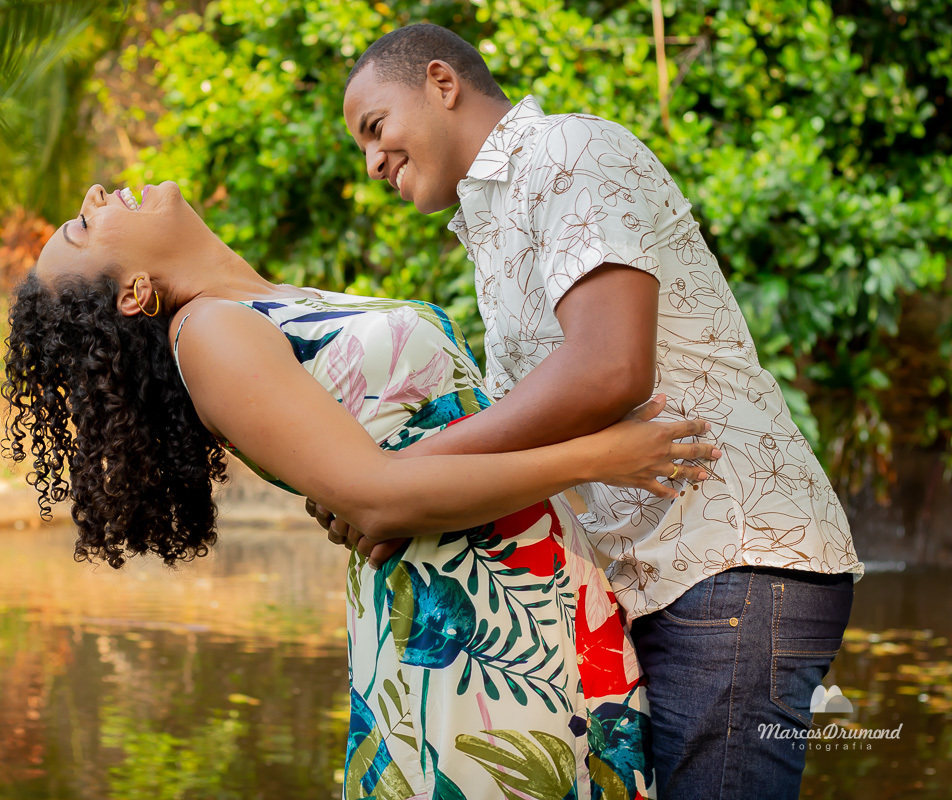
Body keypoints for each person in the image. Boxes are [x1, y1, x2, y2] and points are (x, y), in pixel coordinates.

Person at [1, 181, 721, 799]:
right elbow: (376, 497)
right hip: (468, 624)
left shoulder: (261, 306)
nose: (96, 195)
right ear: (134, 293)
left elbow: (393, 457)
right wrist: (598, 456)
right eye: (86, 224)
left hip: (528, 585)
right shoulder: (209, 331)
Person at [323, 22, 864, 799]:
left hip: (728, 559)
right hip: (657, 579)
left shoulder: (568, 152)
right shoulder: (495, 220)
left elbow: (608, 368)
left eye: (375, 129)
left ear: (442, 83)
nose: (372, 162)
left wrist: (400, 477)